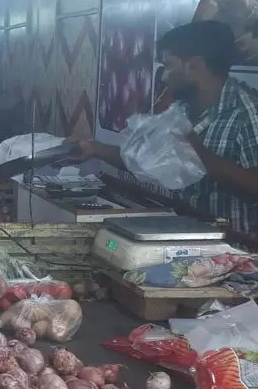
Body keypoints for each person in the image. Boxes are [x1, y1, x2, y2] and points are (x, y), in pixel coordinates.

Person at [75, 20, 258, 237]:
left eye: (169, 66)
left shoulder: (246, 114)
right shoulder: (181, 109)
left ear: (195, 66)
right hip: (189, 239)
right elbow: (146, 160)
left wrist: (197, 151)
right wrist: (95, 149)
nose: (163, 76)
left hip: (238, 253)